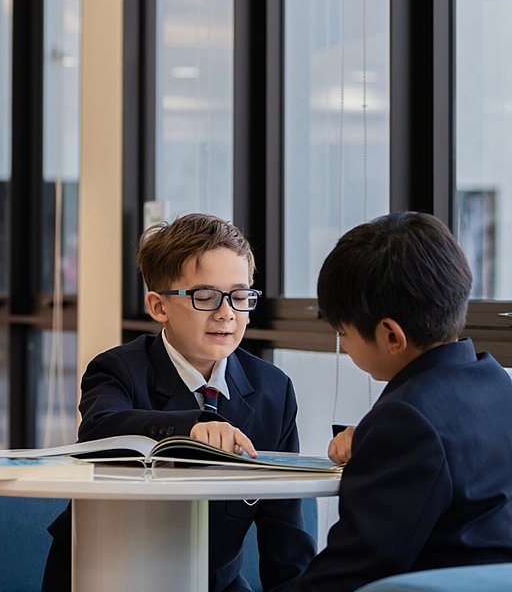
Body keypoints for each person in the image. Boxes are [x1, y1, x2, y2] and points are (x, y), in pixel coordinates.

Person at [42, 213, 316, 592]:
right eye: (205, 296)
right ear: (158, 307)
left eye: (239, 297)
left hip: (214, 582)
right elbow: (101, 428)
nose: (226, 313)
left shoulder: (273, 390)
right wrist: (191, 429)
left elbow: (284, 531)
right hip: (109, 576)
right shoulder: (118, 369)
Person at [292, 211, 512, 592]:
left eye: (343, 333)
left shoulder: (405, 419)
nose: (344, 347)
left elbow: (351, 570)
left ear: (391, 336)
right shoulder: (496, 386)